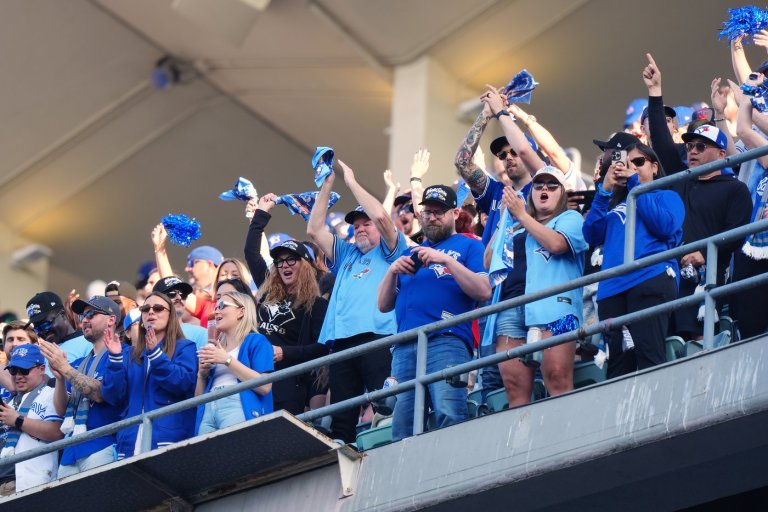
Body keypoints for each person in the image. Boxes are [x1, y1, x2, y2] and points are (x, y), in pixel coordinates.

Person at [378, 185, 491, 440]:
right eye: (427, 212)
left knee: (448, 411)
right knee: (402, 423)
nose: (432, 217)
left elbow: (484, 290)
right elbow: (383, 305)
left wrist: (447, 260)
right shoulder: (410, 253)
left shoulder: (469, 246)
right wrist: (391, 271)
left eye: (439, 212)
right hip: (405, 344)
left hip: (447, 338)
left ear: (455, 213)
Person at [307, 159, 407, 443]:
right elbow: (314, 230)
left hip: (378, 335)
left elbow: (384, 219)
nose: (361, 228)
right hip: (341, 341)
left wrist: (351, 182)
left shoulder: (390, 249)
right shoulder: (347, 254)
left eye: (367, 224)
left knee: (385, 402)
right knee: (342, 415)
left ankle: (389, 448)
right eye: (356, 225)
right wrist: (327, 186)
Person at [488, 167, 588, 405]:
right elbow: (488, 260)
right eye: (539, 185)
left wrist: (522, 215)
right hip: (511, 308)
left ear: (562, 193)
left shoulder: (570, 218)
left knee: (557, 377)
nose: (545, 189)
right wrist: (505, 218)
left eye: (552, 185)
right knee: (514, 389)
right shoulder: (516, 224)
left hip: (554, 306)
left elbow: (557, 244)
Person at [583, 143, 684, 377]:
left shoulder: (667, 196)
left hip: (650, 278)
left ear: (655, 167)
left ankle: (657, 413)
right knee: (618, 364)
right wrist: (604, 191)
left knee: (649, 353)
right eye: (627, 164)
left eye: (638, 162)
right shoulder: (614, 205)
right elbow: (592, 235)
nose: (633, 168)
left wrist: (634, 186)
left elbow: (665, 226)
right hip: (612, 289)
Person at [101, 292, 197, 459]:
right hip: (130, 443)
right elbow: (113, 396)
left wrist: (156, 355)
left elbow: (183, 383)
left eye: (158, 308)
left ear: (171, 315)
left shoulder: (185, 347)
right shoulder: (129, 354)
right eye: (145, 309)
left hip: (168, 440)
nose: (151, 312)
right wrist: (115, 359)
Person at [40, 296, 124, 477]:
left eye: (91, 314)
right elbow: (62, 409)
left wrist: (65, 369)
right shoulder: (78, 363)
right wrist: (61, 379)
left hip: (102, 443)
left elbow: (101, 393)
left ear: (111, 319)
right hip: (71, 451)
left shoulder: (123, 354)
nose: (84, 320)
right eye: (82, 317)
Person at [257, 240, 329, 414]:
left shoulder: (316, 304)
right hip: (255, 373)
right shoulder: (267, 297)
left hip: (287, 380)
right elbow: (251, 253)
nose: (284, 265)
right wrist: (259, 214)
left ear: (304, 265)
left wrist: (284, 352)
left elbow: (323, 348)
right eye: (280, 261)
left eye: (291, 259)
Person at [196, 292, 273, 433]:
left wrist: (227, 360)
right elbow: (197, 401)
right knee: (206, 454)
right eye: (215, 307)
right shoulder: (216, 349)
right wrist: (201, 375)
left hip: (236, 405)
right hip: (208, 409)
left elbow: (265, 386)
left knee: (235, 452)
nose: (216, 310)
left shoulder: (257, 341)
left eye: (222, 305)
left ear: (241, 311)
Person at [0, 345, 63, 494]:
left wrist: (18, 420)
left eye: (24, 370)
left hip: (29, 482)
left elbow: (57, 432)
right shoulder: (8, 402)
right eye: (14, 370)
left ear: (42, 369)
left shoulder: (51, 394)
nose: (18, 376)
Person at [25, 292, 91, 367]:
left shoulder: (88, 343)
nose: (43, 331)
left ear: (62, 314)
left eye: (46, 325)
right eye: (38, 329)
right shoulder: (42, 354)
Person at [153, 276, 208, 350]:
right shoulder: (147, 332)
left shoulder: (201, 334)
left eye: (183, 294)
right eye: (171, 293)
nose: (179, 297)